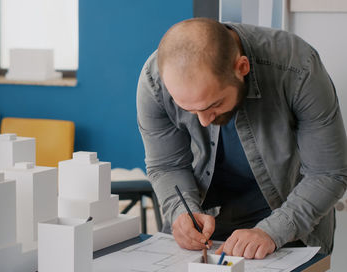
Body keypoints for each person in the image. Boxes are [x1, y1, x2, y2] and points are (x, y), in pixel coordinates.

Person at [136, 18, 347, 259]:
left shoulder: (297, 67)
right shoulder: (154, 82)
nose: (203, 121)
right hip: (206, 226)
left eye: (213, 105)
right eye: (190, 110)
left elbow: (328, 173)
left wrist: (270, 232)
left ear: (242, 68)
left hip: (287, 223)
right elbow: (167, 165)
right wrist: (179, 211)